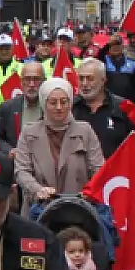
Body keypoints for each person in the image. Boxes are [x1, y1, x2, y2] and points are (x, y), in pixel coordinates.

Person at [13, 78, 103, 209]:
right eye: (53, 103)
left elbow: (98, 168)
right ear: (44, 104)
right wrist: (37, 189)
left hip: (79, 208)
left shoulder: (85, 131)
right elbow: (21, 170)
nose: (59, 107)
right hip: (39, 208)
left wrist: (90, 192)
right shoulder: (29, 132)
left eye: (64, 102)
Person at [74, 58, 135, 192]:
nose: (84, 84)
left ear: (103, 80)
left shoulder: (122, 108)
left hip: (114, 183)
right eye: (81, 78)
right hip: (79, 184)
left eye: (90, 79)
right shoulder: (70, 108)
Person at [0, 60, 47, 151]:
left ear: (44, 81)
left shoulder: (51, 106)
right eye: (27, 79)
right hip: (17, 161)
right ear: (21, 81)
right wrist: (9, 150)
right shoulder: (7, 107)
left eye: (36, 79)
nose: (31, 84)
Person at [100, 36, 135, 103]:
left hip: (127, 102)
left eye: (118, 45)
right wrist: (108, 44)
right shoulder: (103, 61)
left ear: (122, 47)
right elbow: (99, 55)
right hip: (109, 103)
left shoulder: (131, 63)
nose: (115, 47)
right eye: (112, 45)